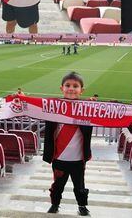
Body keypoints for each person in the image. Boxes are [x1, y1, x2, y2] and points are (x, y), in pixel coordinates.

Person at [43, 72, 92, 216]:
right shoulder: (53, 107)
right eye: (68, 85)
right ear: (61, 88)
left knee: (80, 186)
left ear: (81, 90)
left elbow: (111, 110)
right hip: (59, 159)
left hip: (78, 159)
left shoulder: (88, 109)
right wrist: (18, 99)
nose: (71, 88)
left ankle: (82, 206)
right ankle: (55, 205)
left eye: (75, 86)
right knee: (57, 186)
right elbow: (32, 106)